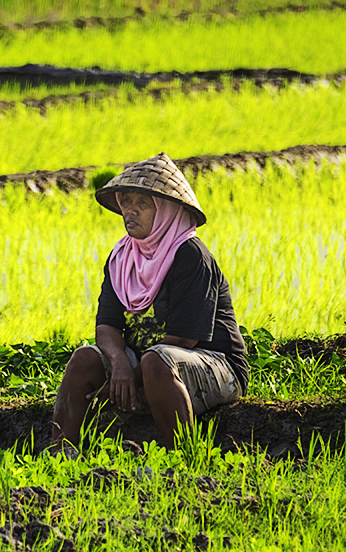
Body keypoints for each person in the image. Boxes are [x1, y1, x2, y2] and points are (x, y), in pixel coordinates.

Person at [50, 152, 249, 452]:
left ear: (167, 210)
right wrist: (118, 365)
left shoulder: (190, 256)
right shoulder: (122, 258)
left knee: (156, 360)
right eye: (126, 202)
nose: (130, 211)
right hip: (146, 367)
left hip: (213, 366)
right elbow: (107, 326)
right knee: (83, 360)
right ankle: (60, 451)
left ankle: (182, 457)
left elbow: (185, 338)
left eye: (142, 204)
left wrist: (130, 380)